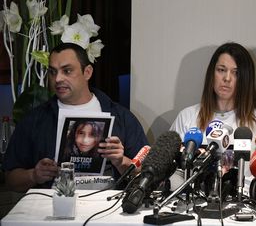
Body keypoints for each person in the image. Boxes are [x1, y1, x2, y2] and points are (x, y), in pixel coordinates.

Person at [2, 42, 148, 192]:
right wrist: (34, 175)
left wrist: (121, 162)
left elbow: (148, 176)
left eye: (67, 71)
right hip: (52, 207)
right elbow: (11, 179)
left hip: (107, 208)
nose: (57, 78)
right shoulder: (34, 120)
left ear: (87, 72)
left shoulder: (121, 117)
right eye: (52, 72)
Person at [170, 42, 256, 150]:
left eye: (236, 73)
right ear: (212, 73)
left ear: (245, 79)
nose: (227, 78)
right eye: (221, 70)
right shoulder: (186, 117)